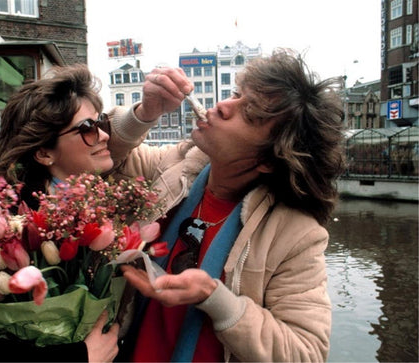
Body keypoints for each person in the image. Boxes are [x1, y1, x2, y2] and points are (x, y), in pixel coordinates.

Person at [0, 63, 188, 362]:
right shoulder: (6, 221)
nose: (104, 136)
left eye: (100, 123)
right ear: (44, 152)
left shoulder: (98, 200)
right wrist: (79, 357)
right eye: (87, 129)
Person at [106, 48, 345, 362]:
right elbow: (103, 162)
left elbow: (306, 353)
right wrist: (144, 114)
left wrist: (216, 299)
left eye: (249, 114)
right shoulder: (179, 165)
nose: (221, 106)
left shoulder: (295, 234)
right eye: (236, 95)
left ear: (270, 159)